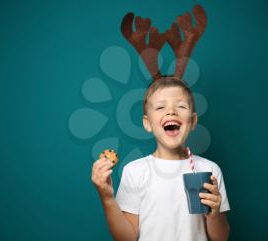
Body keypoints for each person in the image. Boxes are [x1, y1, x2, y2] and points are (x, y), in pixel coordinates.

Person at [91, 77, 231, 241]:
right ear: (147, 123)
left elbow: (221, 238)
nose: (171, 111)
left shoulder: (210, 171)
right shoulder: (135, 171)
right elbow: (126, 238)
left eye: (180, 106)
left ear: (192, 121)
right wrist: (107, 198)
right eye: (160, 107)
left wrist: (214, 214)